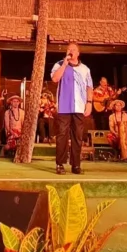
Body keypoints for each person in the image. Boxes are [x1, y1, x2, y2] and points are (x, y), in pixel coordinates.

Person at [51, 42, 93, 175]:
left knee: (78, 136)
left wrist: (89, 102)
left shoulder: (85, 69)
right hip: (64, 106)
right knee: (62, 135)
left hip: (79, 107)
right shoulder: (59, 64)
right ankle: (60, 164)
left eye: (74, 50)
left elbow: (89, 87)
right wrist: (64, 64)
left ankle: (76, 165)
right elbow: (55, 79)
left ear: (78, 53)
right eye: (69, 49)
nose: (71, 51)